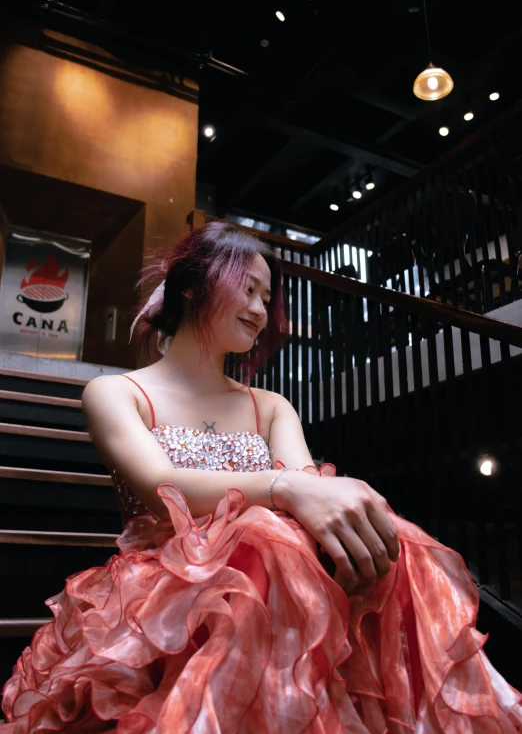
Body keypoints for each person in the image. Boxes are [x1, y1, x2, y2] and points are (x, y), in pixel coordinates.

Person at [2, 221, 522, 733]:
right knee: (267, 536)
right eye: (246, 289)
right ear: (190, 286)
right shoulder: (118, 393)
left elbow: (306, 485)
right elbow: (161, 486)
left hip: (278, 584)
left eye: (266, 296)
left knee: (368, 537)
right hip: (163, 592)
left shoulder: (270, 406)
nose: (259, 309)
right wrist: (285, 487)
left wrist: (319, 492)